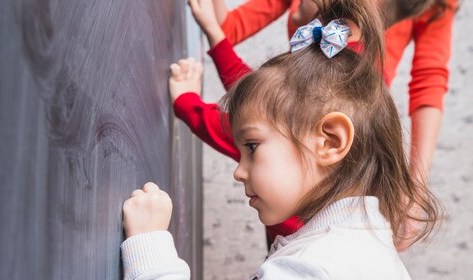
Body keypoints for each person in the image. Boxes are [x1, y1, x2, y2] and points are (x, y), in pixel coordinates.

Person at [120, 1, 452, 280]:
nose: (239, 171)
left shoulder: (322, 273)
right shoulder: (359, 245)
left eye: (252, 148)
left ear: (330, 141)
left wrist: (149, 246)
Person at [173, 0, 457, 250]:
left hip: (299, 231)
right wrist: (215, 33)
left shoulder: (336, 85)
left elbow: (257, 123)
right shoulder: (323, 53)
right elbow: (262, 104)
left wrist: (187, 104)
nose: (295, 6)